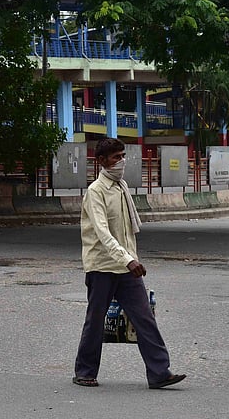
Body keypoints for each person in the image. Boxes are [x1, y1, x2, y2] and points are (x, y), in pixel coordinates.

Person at [73, 138, 185, 389]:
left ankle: (159, 372)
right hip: (102, 265)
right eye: (116, 157)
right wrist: (128, 259)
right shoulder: (96, 192)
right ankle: (85, 371)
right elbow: (103, 233)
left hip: (126, 266)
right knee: (96, 319)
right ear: (101, 161)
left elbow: (126, 232)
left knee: (144, 317)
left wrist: (131, 258)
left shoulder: (122, 187)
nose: (121, 162)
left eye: (123, 156)